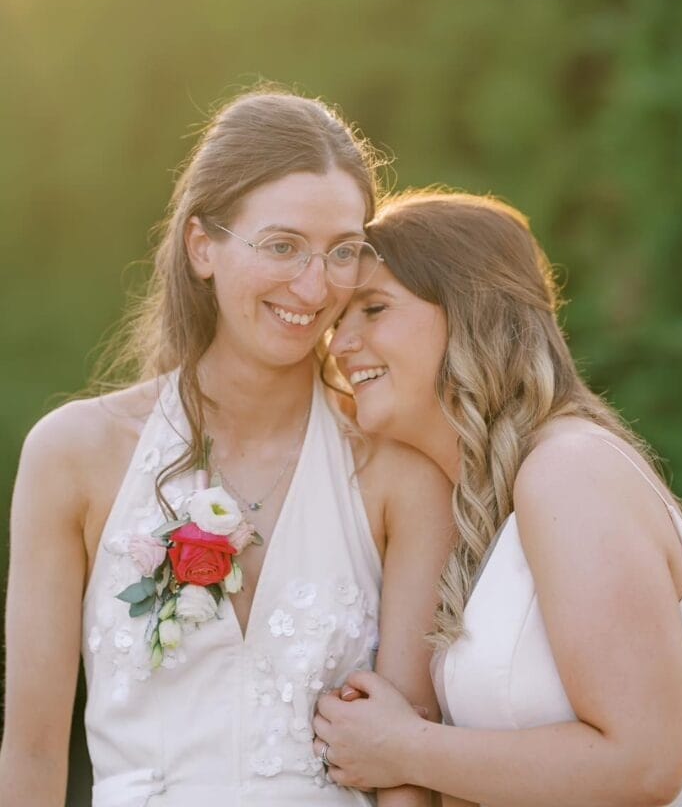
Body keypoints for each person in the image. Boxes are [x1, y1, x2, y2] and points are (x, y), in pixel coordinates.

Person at [0, 94, 453, 807]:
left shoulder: (397, 473)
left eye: (341, 251)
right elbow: (31, 749)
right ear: (201, 247)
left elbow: (407, 762)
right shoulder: (74, 455)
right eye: (281, 246)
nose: (313, 285)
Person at [315, 190, 682, 807]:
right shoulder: (485, 511)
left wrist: (404, 748)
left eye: (373, 308)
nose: (339, 344)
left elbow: (643, 763)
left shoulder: (568, 469)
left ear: (471, 311)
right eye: (340, 321)